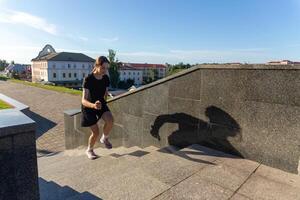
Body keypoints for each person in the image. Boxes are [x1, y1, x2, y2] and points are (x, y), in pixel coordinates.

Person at [81, 56, 114, 159]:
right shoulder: (88, 79)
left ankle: (105, 138)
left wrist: (105, 100)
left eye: (107, 68)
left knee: (110, 120)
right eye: (103, 68)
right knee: (96, 132)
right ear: (96, 66)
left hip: (100, 104)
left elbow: (105, 92)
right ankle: (89, 150)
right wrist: (93, 105)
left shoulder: (105, 78)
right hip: (89, 107)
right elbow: (83, 100)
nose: (105, 70)